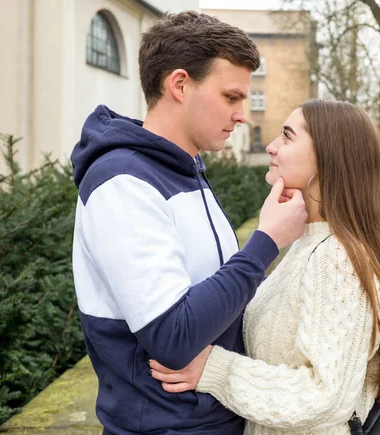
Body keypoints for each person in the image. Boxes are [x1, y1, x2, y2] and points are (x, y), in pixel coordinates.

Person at [150, 100, 380, 434]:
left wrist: (215, 370)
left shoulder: (337, 258)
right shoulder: (309, 243)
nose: (271, 146)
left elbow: (324, 397)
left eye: (287, 136)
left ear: (328, 159)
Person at [71, 11, 307, 435]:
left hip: (212, 418)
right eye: (231, 97)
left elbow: (217, 300)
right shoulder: (123, 183)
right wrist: (267, 239)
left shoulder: (185, 169)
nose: (242, 115)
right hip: (168, 427)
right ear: (179, 84)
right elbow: (174, 337)